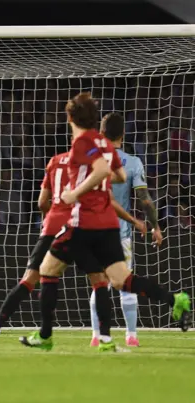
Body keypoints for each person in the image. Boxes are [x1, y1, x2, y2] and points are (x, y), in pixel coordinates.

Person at [19, 92, 190, 352]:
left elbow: (101, 172)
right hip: (109, 226)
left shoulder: (84, 142)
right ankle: (173, 299)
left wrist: (76, 192)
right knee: (121, 280)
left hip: (84, 223)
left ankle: (46, 335)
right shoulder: (108, 147)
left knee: (47, 271)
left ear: (70, 118)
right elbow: (118, 174)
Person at [0, 151, 145, 351]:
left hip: (51, 230)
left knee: (29, 281)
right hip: (77, 229)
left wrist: (50, 222)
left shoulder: (54, 162)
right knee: (99, 281)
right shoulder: (89, 166)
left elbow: (42, 202)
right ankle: (104, 339)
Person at [89, 112, 164, 347]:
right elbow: (145, 199)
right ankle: (131, 335)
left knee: (99, 285)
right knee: (126, 284)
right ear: (123, 134)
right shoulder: (132, 162)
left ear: (101, 134)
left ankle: (96, 336)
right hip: (120, 235)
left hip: (93, 234)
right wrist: (156, 226)